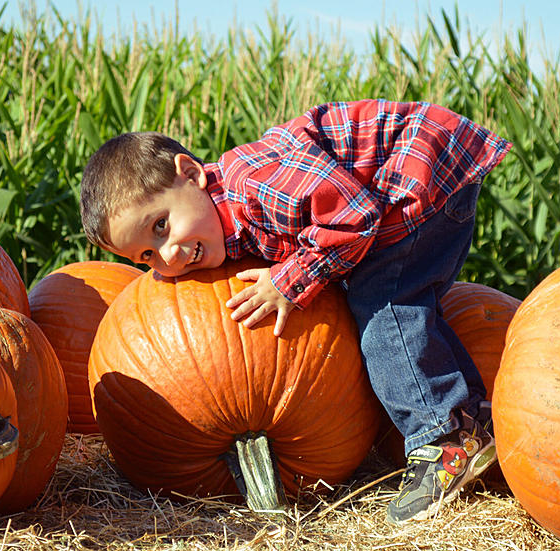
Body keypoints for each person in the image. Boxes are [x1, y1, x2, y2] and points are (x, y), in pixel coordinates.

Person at [79, 99, 512, 523]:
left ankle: (444, 436)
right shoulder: (218, 219)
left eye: (161, 226)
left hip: (419, 174)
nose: (168, 256)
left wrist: (288, 282)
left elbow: (354, 217)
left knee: (387, 309)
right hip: (409, 186)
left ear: (191, 174)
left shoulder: (258, 186)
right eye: (147, 256)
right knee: (407, 308)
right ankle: (472, 420)